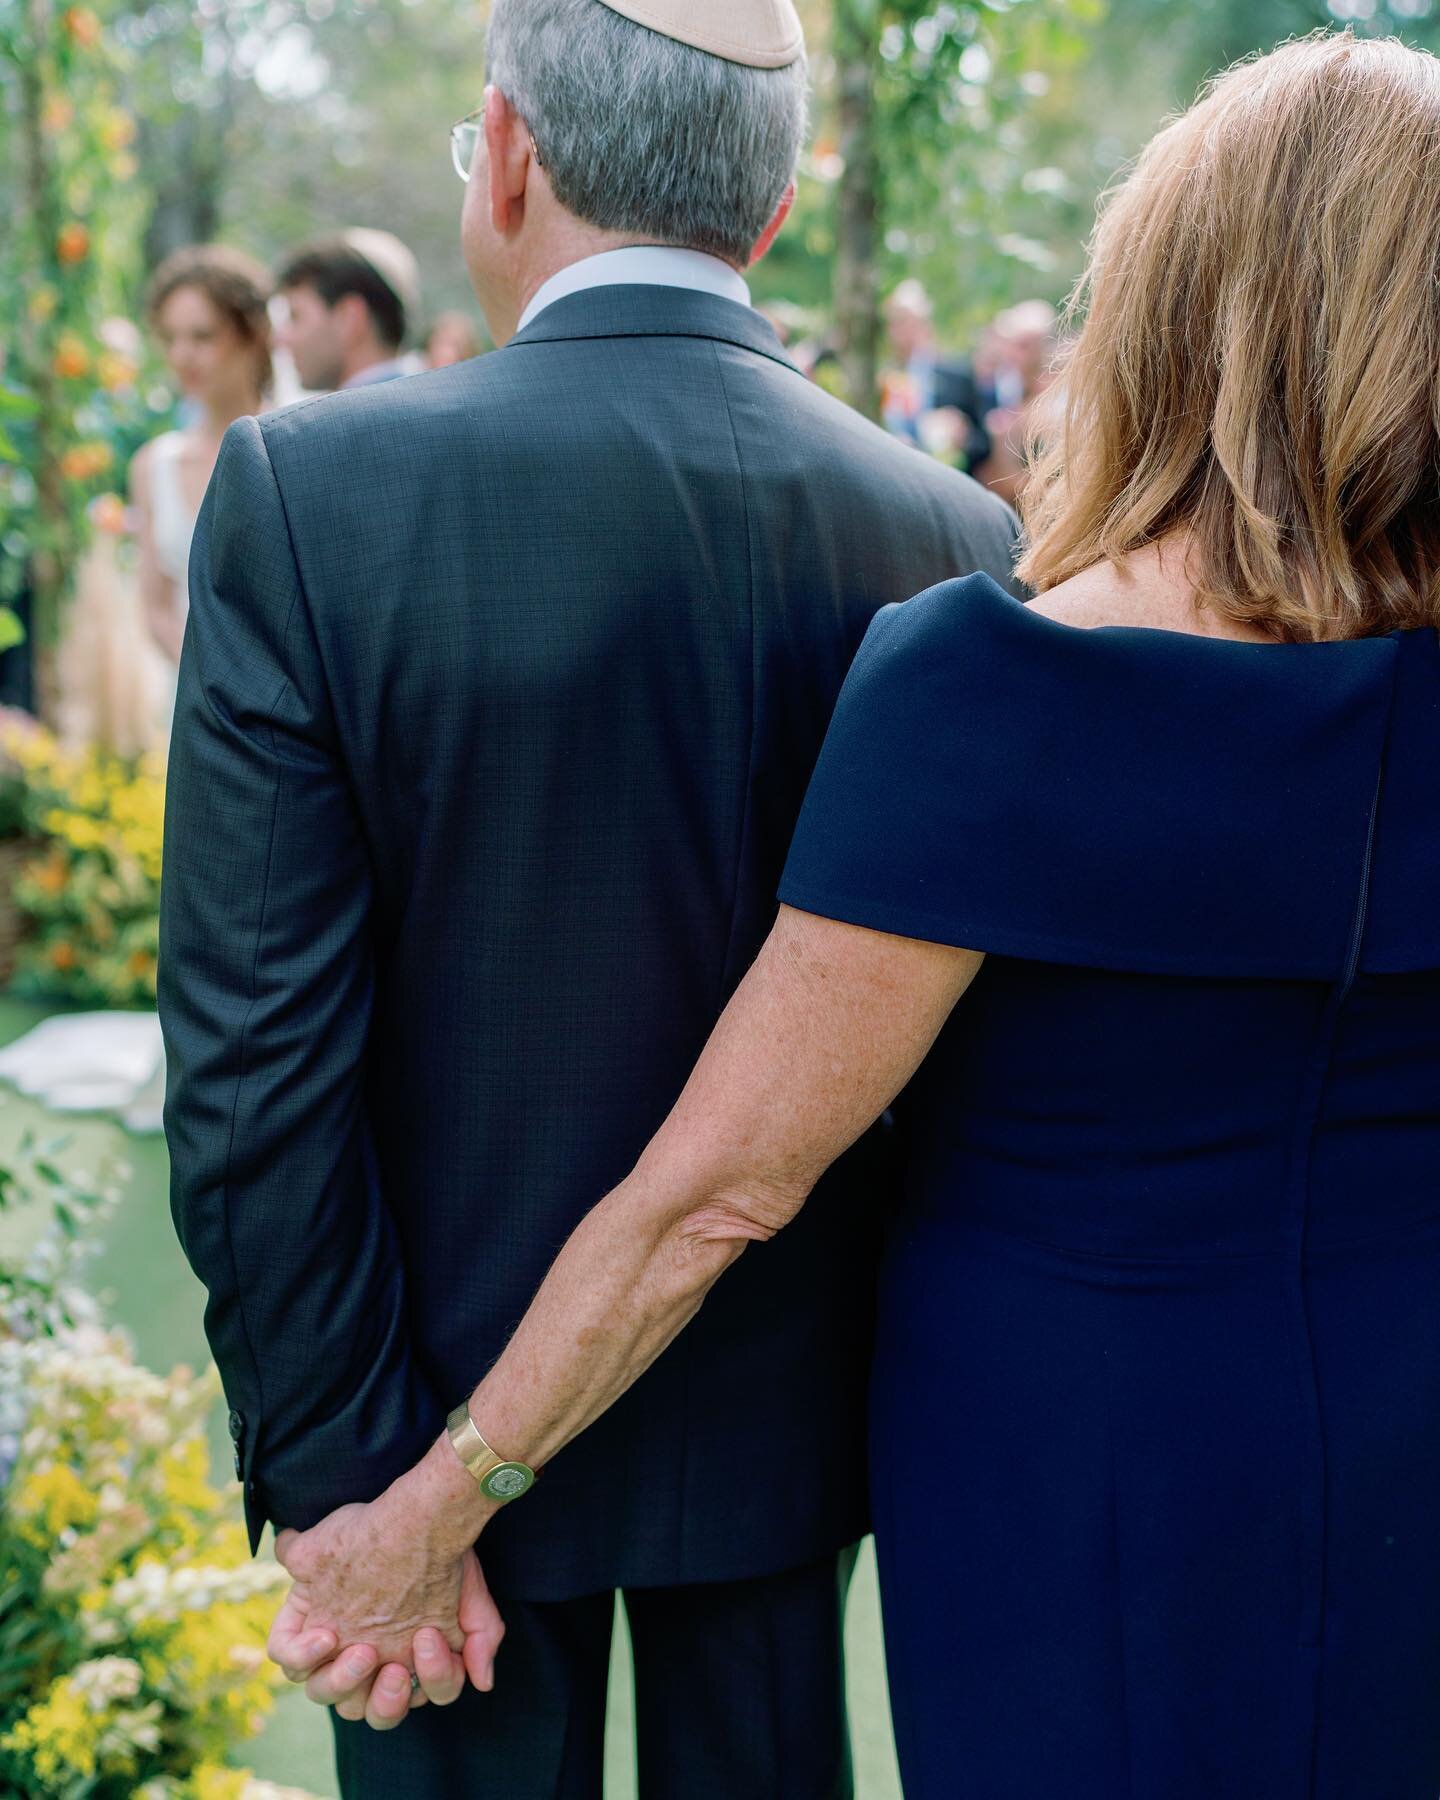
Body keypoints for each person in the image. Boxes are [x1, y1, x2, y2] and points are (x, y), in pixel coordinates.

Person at [258, 28, 1440, 1798]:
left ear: (1177, 294)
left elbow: (720, 1192)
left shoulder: (995, 683)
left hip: (1071, 1454)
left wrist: (435, 1504)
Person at [157, 1, 1019, 1796]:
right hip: (791, 1441)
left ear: (515, 156)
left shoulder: (318, 493)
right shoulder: (953, 538)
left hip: (421, 1444)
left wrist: (356, 1490)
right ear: (767, 217)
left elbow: (251, 1061)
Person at [131, 246, 272, 671]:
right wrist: (210, 679)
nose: (182, 356)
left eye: (202, 336)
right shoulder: (154, 464)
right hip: (192, 699)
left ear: (252, 335)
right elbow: (156, 609)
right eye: (171, 338)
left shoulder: (297, 446)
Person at [275, 229, 422, 392]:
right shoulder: (418, 401)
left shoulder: (350, 414)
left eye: (295, 316)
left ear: (349, 318)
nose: (281, 338)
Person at [880, 277, 990, 469]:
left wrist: (962, 436)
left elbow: (983, 445)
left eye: (907, 321)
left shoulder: (957, 375)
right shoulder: (882, 379)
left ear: (925, 323)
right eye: (894, 322)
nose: (900, 331)